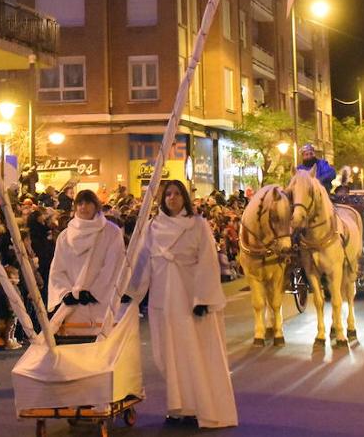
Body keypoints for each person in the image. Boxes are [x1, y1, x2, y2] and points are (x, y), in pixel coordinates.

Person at [127, 180, 237, 429]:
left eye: (177, 194)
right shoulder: (154, 226)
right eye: (168, 194)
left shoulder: (196, 225)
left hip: (188, 299)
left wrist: (203, 298)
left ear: (184, 197)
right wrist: (131, 292)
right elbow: (143, 260)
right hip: (161, 300)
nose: (172, 198)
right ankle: (176, 407)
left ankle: (195, 408)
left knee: (192, 353)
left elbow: (208, 261)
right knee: (167, 354)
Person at [47, 189, 126, 339]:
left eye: (88, 202)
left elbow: (113, 266)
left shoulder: (111, 232)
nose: (84, 207)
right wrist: (65, 293)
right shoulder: (65, 236)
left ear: (96, 205)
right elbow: (58, 269)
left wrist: (94, 292)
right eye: (80, 203)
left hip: (101, 304)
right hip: (73, 309)